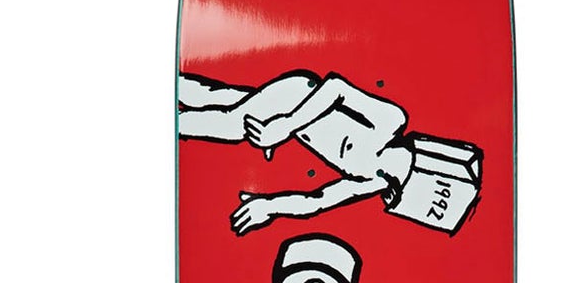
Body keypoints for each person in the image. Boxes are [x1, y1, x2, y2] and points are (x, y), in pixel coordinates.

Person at [178, 70, 416, 233]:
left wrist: (270, 206)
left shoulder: (375, 180)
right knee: (231, 125)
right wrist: (284, 126)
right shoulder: (392, 121)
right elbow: (336, 88)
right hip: (297, 96)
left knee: (216, 98)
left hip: (288, 119)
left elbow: (317, 201)